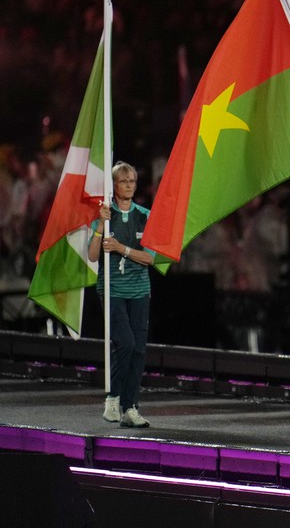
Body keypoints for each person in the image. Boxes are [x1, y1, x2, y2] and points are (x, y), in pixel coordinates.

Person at [88, 161, 156, 428]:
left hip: (140, 291)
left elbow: (149, 259)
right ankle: (113, 398)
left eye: (132, 181)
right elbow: (93, 255)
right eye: (123, 181)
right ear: (114, 186)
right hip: (113, 290)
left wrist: (120, 248)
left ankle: (131, 407)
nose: (128, 185)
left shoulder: (145, 215)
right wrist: (100, 227)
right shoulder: (105, 215)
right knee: (125, 344)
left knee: (139, 350)